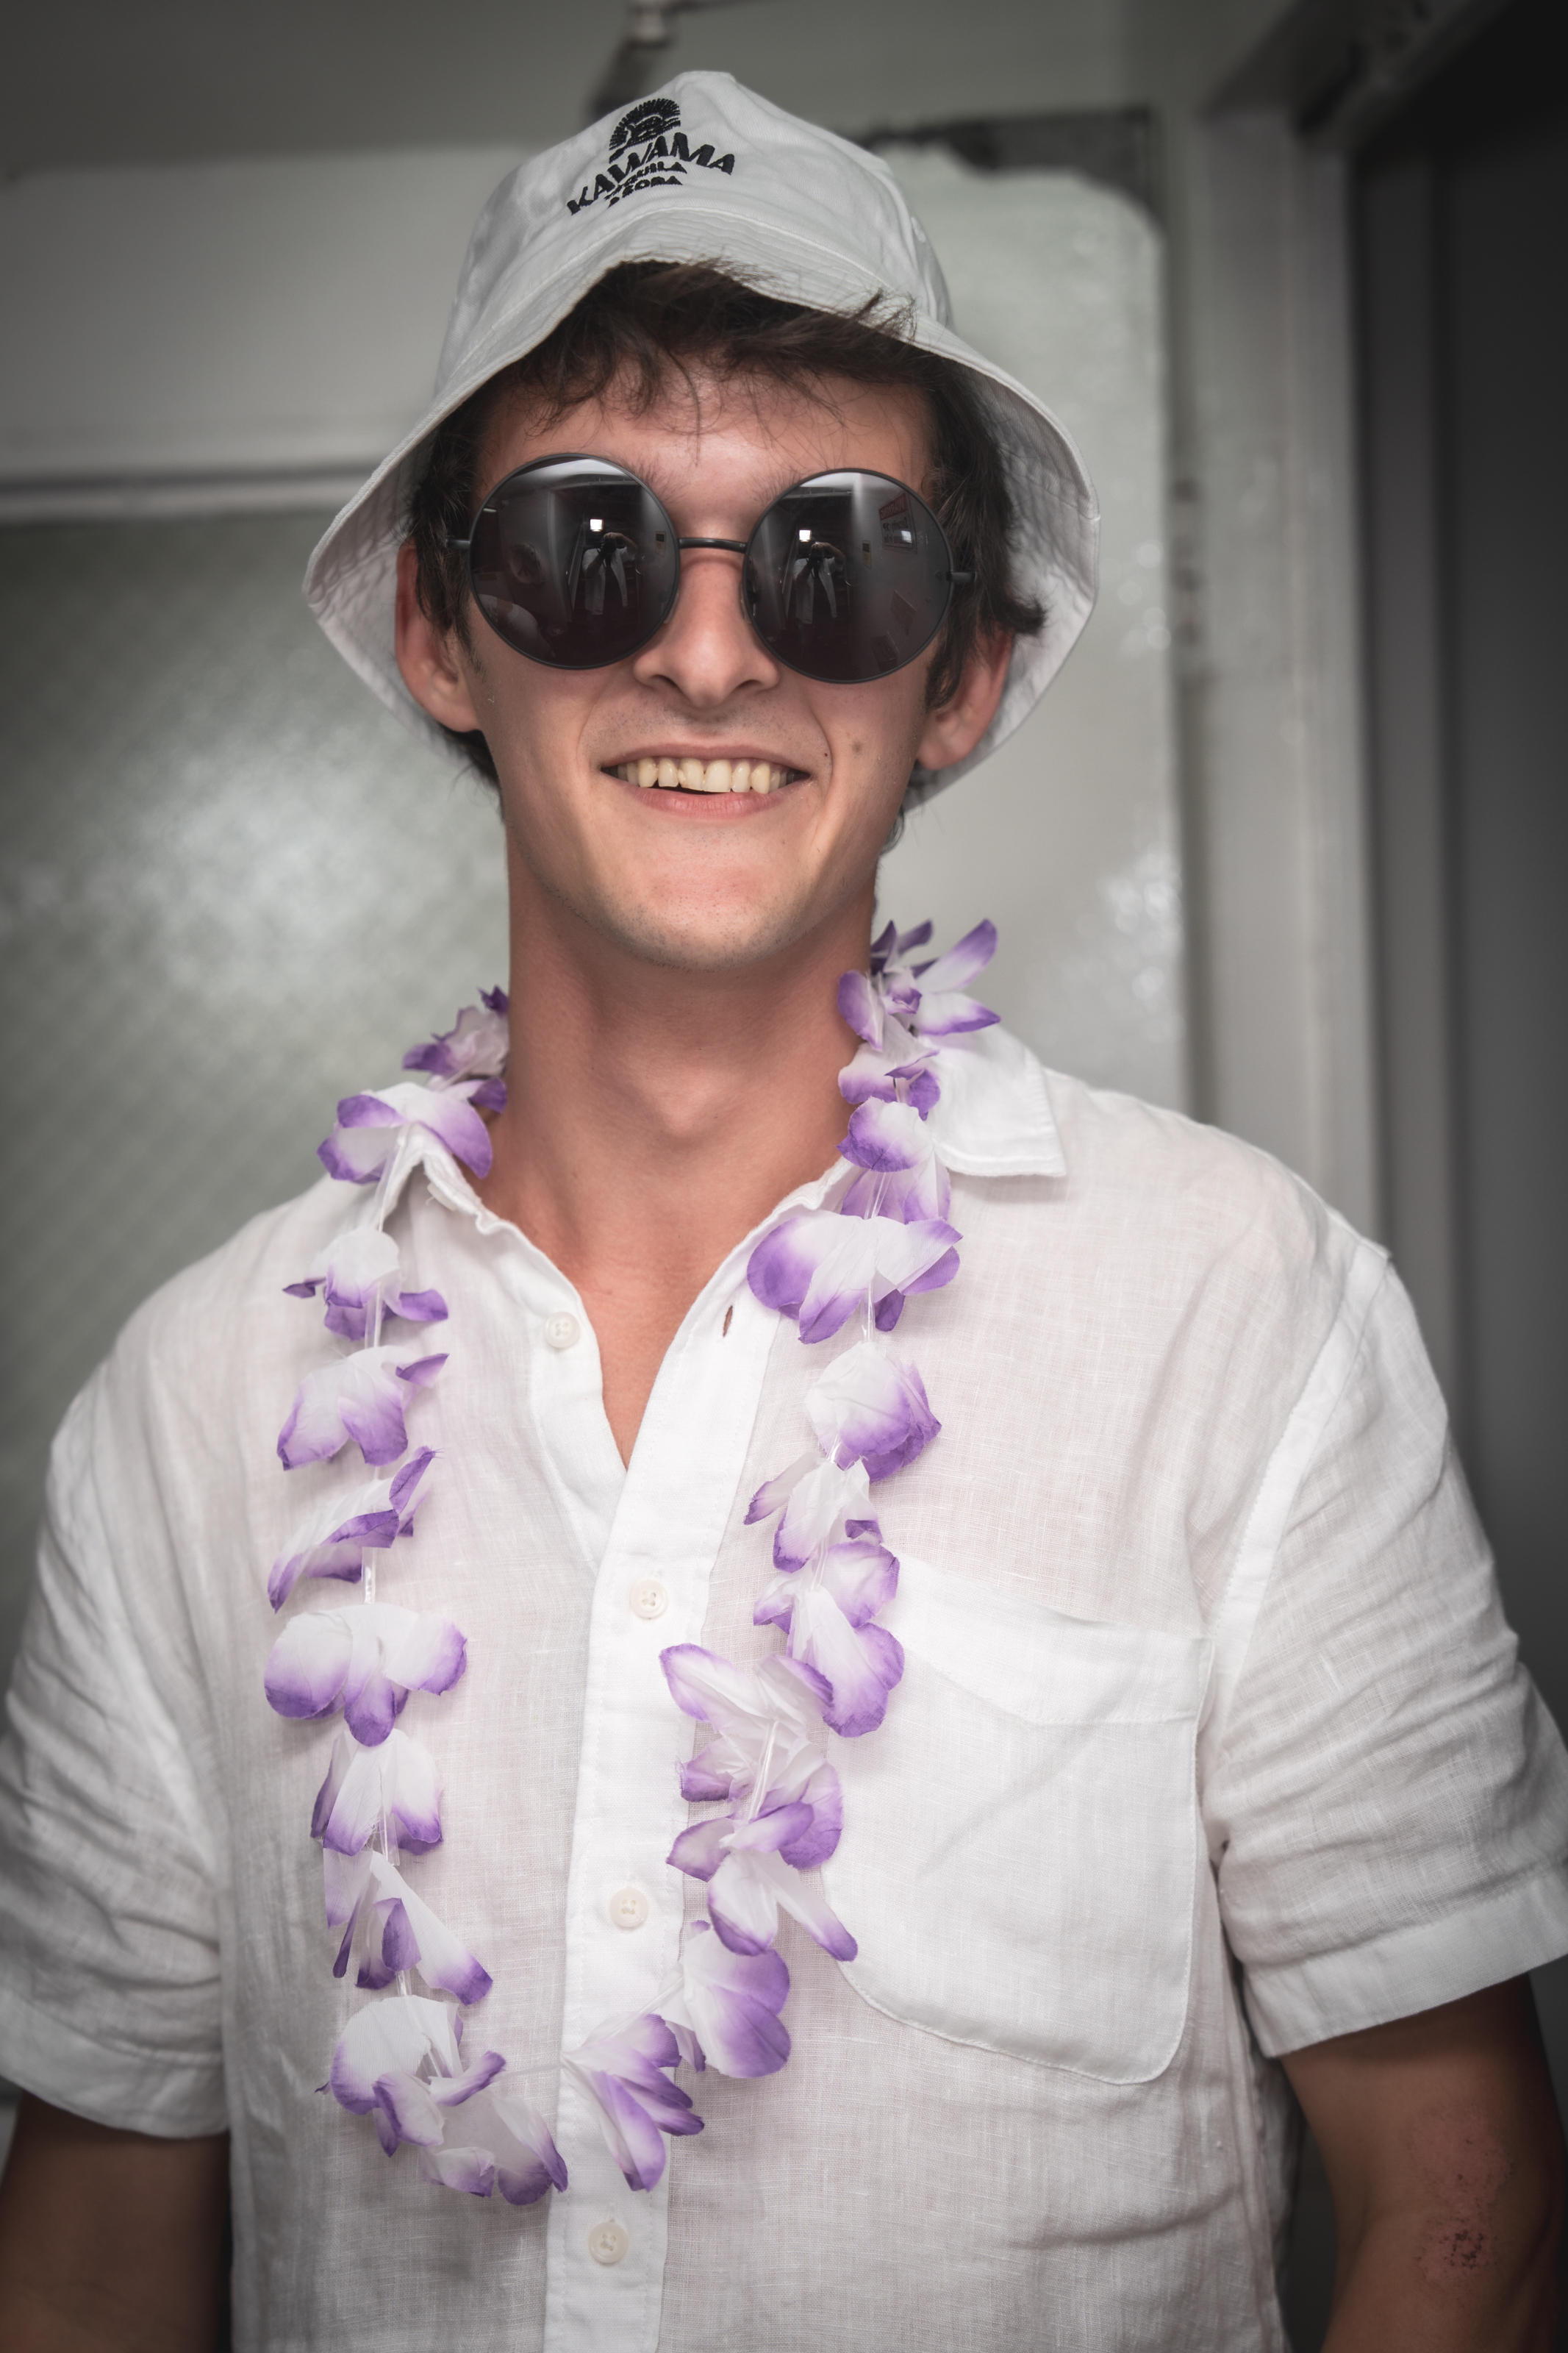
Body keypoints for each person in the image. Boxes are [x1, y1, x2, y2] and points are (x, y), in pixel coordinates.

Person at [0, 69, 1564, 2353]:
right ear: (443, 632)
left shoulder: (1250, 1320)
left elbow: (1464, 2191)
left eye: (837, 556)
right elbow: (85, 2256)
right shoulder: (184, 1411)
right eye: (587, 545)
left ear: (966, 669)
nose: (713, 655)